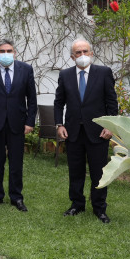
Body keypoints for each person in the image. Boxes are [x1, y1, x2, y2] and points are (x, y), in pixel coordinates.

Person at [54, 38, 118, 223]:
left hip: (98, 132)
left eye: (85, 51)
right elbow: (59, 103)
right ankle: (77, 204)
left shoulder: (104, 73)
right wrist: (60, 124)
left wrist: (110, 126)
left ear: (91, 53)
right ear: (72, 56)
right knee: (76, 171)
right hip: (73, 131)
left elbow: (111, 103)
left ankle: (99, 208)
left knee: (99, 172)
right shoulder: (65, 75)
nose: (82, 55)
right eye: (78, 53)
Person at [0, 39, 37, 212]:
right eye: (2, 51)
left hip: (17, 123)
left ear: (15, 52)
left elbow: (32, 99)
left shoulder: (25, 70)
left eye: (9, 51)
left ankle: (16, 197)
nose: (5, 54)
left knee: (16, 162)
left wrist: (30, 122)